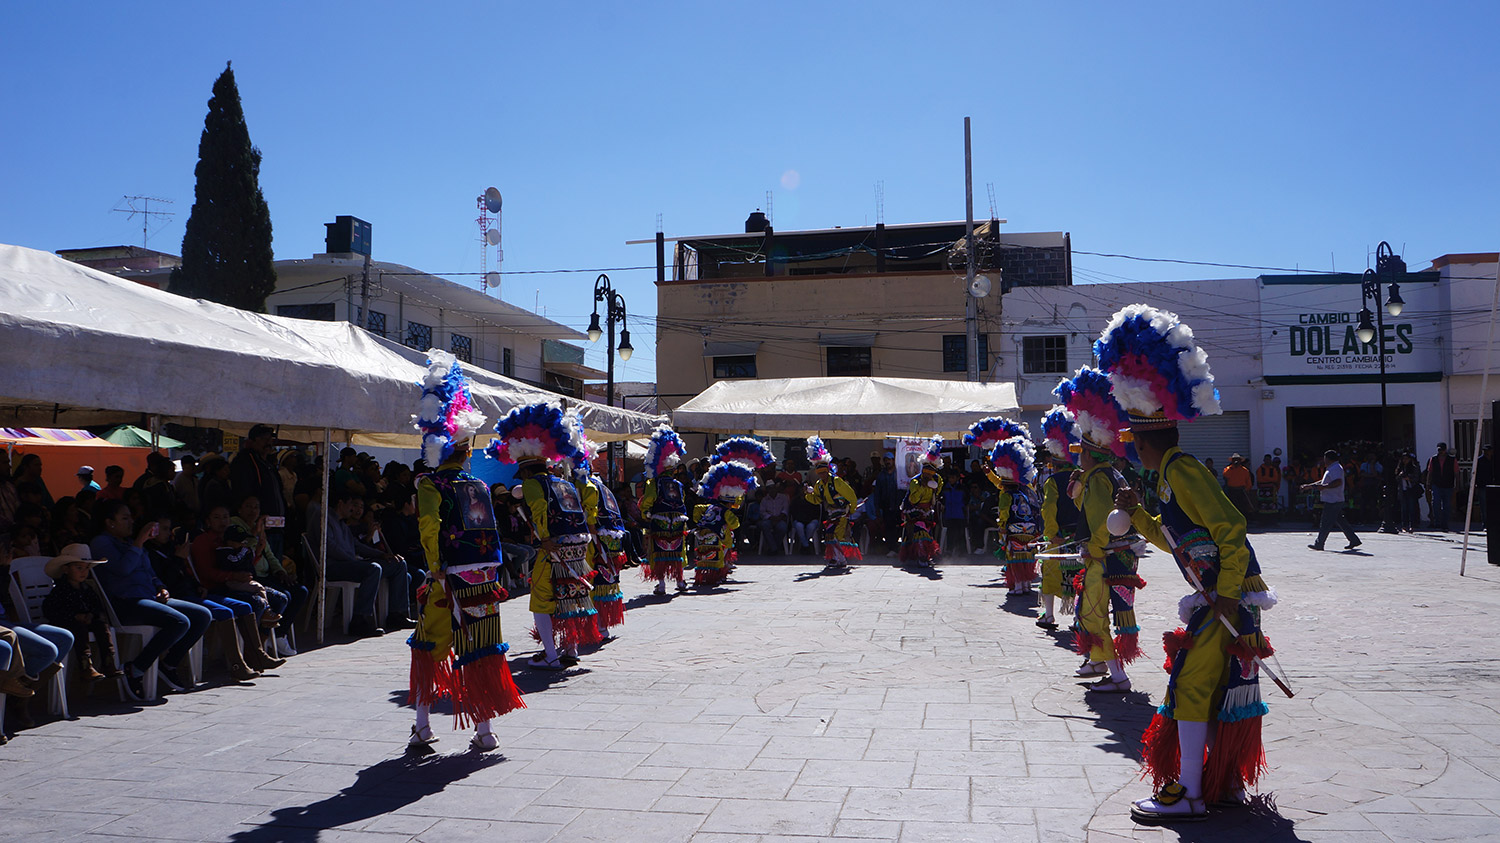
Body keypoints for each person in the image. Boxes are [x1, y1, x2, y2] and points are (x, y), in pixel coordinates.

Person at [1096, 303, 1278, 823]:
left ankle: (1194, 795)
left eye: (1133, 444)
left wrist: (1222, 593)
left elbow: (1231, 529)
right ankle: (1222, 783)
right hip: (1220, 595)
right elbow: (1174, 540)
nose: (1132, 452)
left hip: (1227, 598)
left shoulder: (1184, 470)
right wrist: (1136, 515)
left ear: (1147, 441)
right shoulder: (1168, 476)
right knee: (1218, 687)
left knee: (1194, 686)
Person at [408, 352, 526, 751]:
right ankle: (485, 730)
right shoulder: (476, 486)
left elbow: (430, 528)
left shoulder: (429, 486)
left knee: (428, 645)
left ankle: (423, 727)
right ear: (464, 448)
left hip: (448, 576)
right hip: (484, 577)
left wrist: (435, 567)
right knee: (481, 645)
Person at [490, 403, 599, 670]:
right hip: (576, 547)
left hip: (553, 549)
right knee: (569, 598)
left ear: (526, 470)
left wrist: (545, 538)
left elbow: (539, 512)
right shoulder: (565, 483)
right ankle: (570, 649)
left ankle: (551, 655)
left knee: (541, 600)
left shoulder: (532, 483)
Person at [1055, 367, 1143, 693]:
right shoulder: (1106, 475)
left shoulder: (1097, 478)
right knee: (1090, 610)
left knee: (1092, 614)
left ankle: (1118, 678)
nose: (1078, 460)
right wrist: (1078, 495)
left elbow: (1104, 520)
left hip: (1104, 557)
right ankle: (1097, 662)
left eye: (1081, 454)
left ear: (1091, 453)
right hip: (1117, 556)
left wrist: (1094, 547)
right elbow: (1095, 515)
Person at [90, 500, 212, 699]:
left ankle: (168, 664)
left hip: (148, 598)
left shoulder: (129, 542)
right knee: (180, 621)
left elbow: (149, 572)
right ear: (110, 523)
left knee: (202, 615)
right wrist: (139, 542)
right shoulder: (101, 543)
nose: (131, 522)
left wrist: (161, 587)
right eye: (124, 518)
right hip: (124, 603)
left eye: (131, 517)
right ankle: (135, 669)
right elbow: (123, 569)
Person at [321, 491, 400, 638]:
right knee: (373, 569)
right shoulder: (325, 520)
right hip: (335, 566)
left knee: (397, 564)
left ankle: (397, 614)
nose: (352, 509)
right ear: (340, 504)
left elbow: (357, 546)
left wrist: (382, 555)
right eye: (351, 505)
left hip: (350, 563)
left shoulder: (342, 524)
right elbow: (330, 547)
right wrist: (352, 559)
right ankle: (359, 619)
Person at [41, 544, 121, 681]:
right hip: (67, 622)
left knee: (101, 625)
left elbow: (97, 606)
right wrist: (74, 616)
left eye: (86, 568)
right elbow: (50, 610)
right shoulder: (60, 590)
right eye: (79, 568)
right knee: (78, 627)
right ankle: (85, 665)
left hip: (86, 620)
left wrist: (91, 615)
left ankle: (108, 662)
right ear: (66, 569)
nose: (83, 572)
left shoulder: (87, 589)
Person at [1036, 407, 1084, 631]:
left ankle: (1049, 615)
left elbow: (1048, 509)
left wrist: (1051, 534)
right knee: (1078, 577)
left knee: (1051, 573)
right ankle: (1078, 618)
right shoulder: (1083, 477)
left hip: (1060, 537)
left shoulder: (1053, 482)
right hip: (1081, 536)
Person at [575, 444, 627, 636]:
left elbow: (589, 517)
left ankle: (597, 625)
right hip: (611, 540)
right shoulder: (601, 485)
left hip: (595, 540)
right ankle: (601, 625)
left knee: (591, 581)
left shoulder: (585, 485)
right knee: (603, 582)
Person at [986, 436, 1042, 596]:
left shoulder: (1006, 494)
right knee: (1026, 557)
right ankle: (1025, 586)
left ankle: (1017, 587)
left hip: (1013, 529)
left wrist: (1002, 528)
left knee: (1014, 558)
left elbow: (1003, 513)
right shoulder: (1027, 490)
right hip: (1030, 529)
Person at [639, 426, 690, 595]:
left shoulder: (653, 483)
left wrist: (645, 513)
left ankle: (661, 585)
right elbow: (681, 501)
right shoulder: (679, 484)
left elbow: (648, 500)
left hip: (659, 519)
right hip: (677, 520)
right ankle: (680, 582)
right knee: (676, 549)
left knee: (659, 550)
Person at [231, 424, 288, 561]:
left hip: (275, 526)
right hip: (258, 527)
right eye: (264, 439)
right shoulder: (245, 462)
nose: (268, 442)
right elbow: (243, 493)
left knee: (275, 563)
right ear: (252, 441)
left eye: (270, 439)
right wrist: (254, 519)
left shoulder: (267, 464)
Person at [691, 463, 752, 588]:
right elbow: (735, 524)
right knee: (720, 556)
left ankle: (703, 576)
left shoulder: (710, 507)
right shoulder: (726, 512)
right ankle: (717, 577)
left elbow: (697, 508)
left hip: (702, 535)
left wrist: (699, 521)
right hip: (719, 537)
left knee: (704, 556)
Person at [805, 436, 860, 568]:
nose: (822, 475)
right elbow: (817, 499)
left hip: (842, 512)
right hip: (831, 513)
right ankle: (836, 558)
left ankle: (840, 560)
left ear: (827, 471)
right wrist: (808, 494)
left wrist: (851, 509)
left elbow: (851, 495)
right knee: (830, 535)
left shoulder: (836, 481)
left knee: (838, 535)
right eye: (820, 473)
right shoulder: (819, 484)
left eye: (824, 473)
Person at [899, 437, 945, 567]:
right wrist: (922, 487)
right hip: (913, 510)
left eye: (932, 472)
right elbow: (913, 499)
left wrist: (933, 487)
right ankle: (921, 557)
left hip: (928, 510)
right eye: (926, 471)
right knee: (920, 532)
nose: (929, 474)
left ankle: (925, 555)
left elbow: (938, 490)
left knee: (926, 533)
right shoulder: (915, 481)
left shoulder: (937, 479)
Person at [1303, 449, 1360, 551]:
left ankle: (1319, 544)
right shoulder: (1331, 468)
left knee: (1325, 523)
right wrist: (1310, 486)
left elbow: (1338, 482)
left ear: (1328, 458)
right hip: (1334, 499)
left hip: (1333, 500)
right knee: (1340, 521)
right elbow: (1324, 481)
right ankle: (1354, 540)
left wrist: (1325, 487)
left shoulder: (1335, 468)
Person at [1425, 442, 1457, 531]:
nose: (1440, 452)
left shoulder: (1452, 460)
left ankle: (1445, 523)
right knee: (1435, 503)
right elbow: (1430, 472)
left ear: (1445, 450)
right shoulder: (1433, 459)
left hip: (1448, 485)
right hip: (1437, 484)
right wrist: (1428, 484)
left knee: (1447, 505)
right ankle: (1437, 521)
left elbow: (1456, 473)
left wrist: (1456, 485)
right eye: (1439, 450)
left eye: (1442, 450)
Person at [758, 481, 790, 554]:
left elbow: (785, 509)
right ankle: (774, 548)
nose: (772, 490)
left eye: (773, 488)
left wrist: (779, 517)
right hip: (769, 519)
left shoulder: (783, 497)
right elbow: (762, 512)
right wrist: (770, 517)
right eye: (769, 488)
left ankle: (774, 547)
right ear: (767, 490)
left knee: (782, 528)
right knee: (764, 526)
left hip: (780, 518)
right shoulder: (764, 499)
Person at [1395, 452, 1423, 532]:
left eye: (1406, 459)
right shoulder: (1400, 467)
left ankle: (1412, 525)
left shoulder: (1414, 467)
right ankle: (1404, 525)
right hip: (1402, 489)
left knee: (1412, 508)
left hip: (1411, 489)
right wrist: (1400, 475)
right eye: (1403, 459)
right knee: (1404, 508)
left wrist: (1409, 478)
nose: (1405, 460)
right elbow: (1396, 478)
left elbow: (1417, 477)